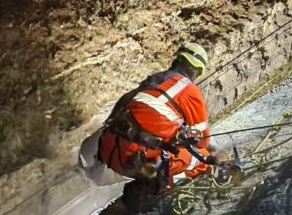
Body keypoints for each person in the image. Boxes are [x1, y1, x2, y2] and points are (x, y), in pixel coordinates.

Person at [79, 42, 216, 198]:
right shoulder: (190, 90)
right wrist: (209, 150)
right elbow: (203, 141)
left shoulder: (152, 82)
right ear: (197, 70)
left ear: (177, 60)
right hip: (134, 160)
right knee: (202, 158)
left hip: (107, 152)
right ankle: (156, 192)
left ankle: (144, 185)